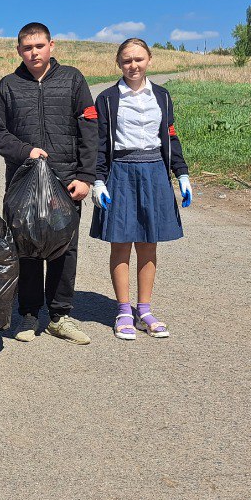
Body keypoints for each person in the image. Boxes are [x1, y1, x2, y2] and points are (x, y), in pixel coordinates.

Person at [0, 22, 97, 345]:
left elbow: (90, 127)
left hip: (65, 183)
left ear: (52, 45)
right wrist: (26, 151)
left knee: (65, 248)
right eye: (27, 47)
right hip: (23, 184)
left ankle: (59, 315)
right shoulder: (8, 86)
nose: (34, 52)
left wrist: (86, 177)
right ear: (18, 50)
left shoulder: (73, 80)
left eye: (39, 46)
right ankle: (27, 313)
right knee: (26, 247)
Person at [90, 37, 191, 340]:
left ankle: (144, 310)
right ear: (118, 64)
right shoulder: (107, 98)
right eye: (126, 60)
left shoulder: (162, 96)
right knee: (120, 242)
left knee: (149, 242)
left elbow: (170, 136)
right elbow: (100, 142)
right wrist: (97, 179)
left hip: (155, 172)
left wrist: (182, 174)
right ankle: (123, 310)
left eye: (138, 59)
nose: (133, 65)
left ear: (149, 60)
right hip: (120, 172)